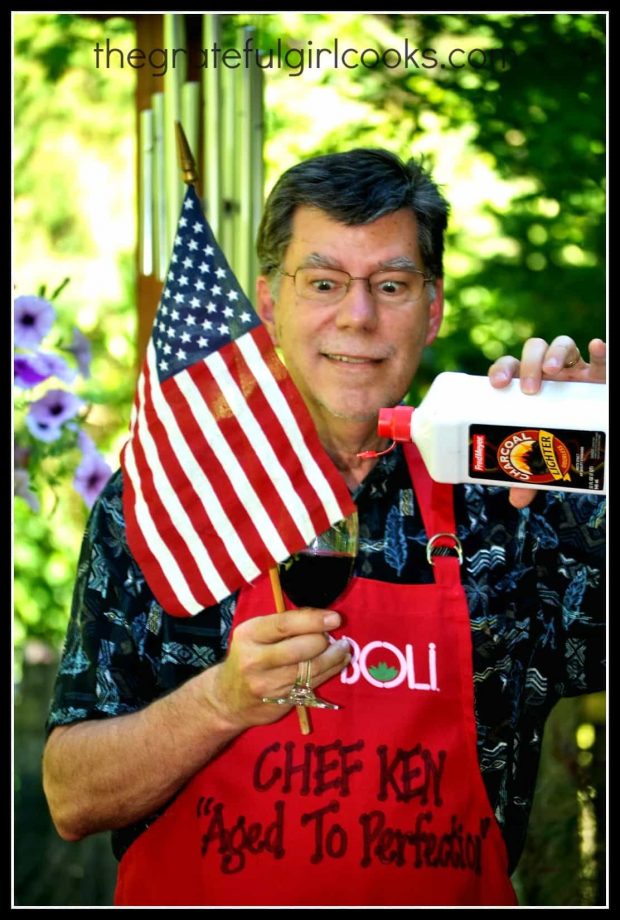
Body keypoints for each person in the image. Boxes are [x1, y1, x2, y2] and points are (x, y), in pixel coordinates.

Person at [42, 148, 606, 907]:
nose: (359, 315)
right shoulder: (171, 495)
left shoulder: (514, 496)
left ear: (432, 308)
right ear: (271, 300)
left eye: (392, 286)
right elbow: (71, 797)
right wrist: (219, 703)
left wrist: (597, 438)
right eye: (324, 282)